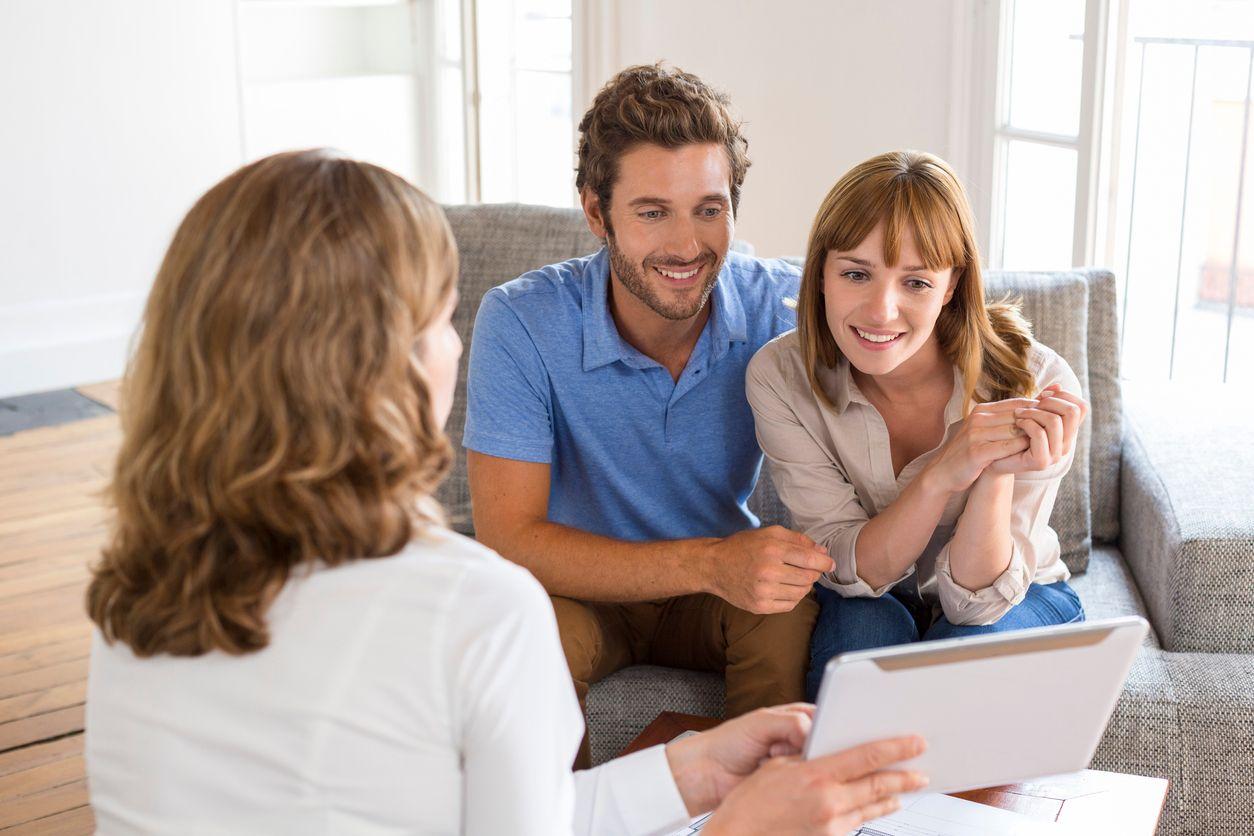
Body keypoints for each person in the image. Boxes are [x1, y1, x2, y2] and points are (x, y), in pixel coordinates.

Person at [84, 149, 928, 835]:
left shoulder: (138, 599)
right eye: (439, 322)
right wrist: (740, 830)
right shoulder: (476, 611)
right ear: (393, 368)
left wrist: (693, 773)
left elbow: (499, 821)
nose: (456, 347)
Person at [464, 64, 830, 768]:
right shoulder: (522, 320)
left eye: (709, 208)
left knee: (785, 613)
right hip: (577, 591)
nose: (687, 246)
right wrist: (710, 562)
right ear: (597, 214)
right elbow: (509, 539)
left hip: (717, 602)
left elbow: (911, 326)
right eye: (652, 211)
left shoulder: (780, 307)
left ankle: (761, 816)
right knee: (518, 637)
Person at [745, 150, 1089, 700]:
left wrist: (995, 472)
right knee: (860, 638)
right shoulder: (779, 378)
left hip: (1015, 594)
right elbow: (850, 569)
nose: (881, 311)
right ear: (821, 277)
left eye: (916, 283)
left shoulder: (1038, 381)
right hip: (871, 593)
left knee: (962, 652)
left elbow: (977, 603)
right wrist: (943, 474)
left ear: (952, 286)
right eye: (856, 274)